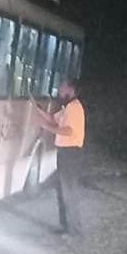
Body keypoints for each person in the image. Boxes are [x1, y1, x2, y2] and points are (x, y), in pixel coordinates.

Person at [35, 82, 85, 235]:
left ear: (70, 89)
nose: (60, 90)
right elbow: (53, 120)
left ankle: (74, 229)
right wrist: (37, 110)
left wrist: (47, 128)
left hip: (70, 153)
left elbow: (68, 131)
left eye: (63, 87)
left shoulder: (75, 108)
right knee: (63, 190)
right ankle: (66, 226)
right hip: (65, 152)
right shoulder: (67, 108)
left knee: (69, 191)